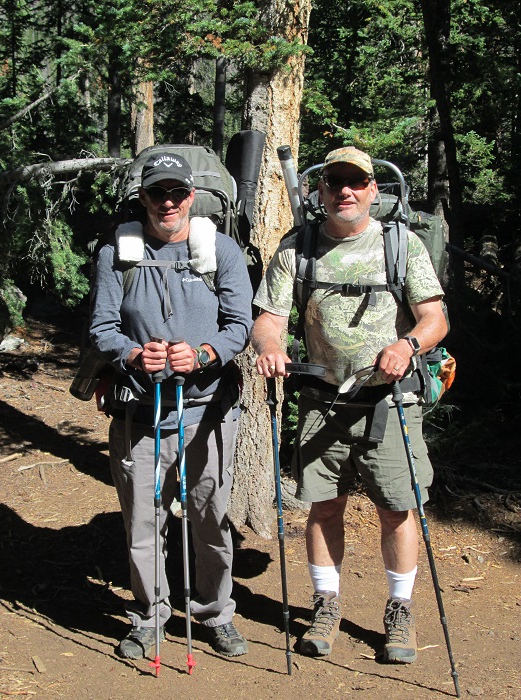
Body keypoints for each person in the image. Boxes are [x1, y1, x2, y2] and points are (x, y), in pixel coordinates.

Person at [251, 146, 447, 663]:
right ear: (320, 189)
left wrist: (407, 346)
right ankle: (325, 603)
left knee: (397, 509)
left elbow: (434, 318)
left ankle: (400, 611)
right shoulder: (298, 248)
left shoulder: (400, 246)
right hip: (322, 400)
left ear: (372, 190)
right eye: (335, 181)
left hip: (392, 403)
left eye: (356, 182)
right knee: (323, 506)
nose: (346, 191)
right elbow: (268, 319)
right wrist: (270, 349)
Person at [89, 151, 253, 659]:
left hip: (207, 409)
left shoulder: (222, 250)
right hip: (140, 409)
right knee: (143, 519)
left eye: (177, 193)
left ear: (191, 197)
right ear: (142, 197)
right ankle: (149, 615)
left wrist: (203, 354)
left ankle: (215, 612)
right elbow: (101, 328)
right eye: (157, 193)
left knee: (210, 516)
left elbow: (240, 326)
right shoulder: (116, 252)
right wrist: (133, 354)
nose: (167, 202)